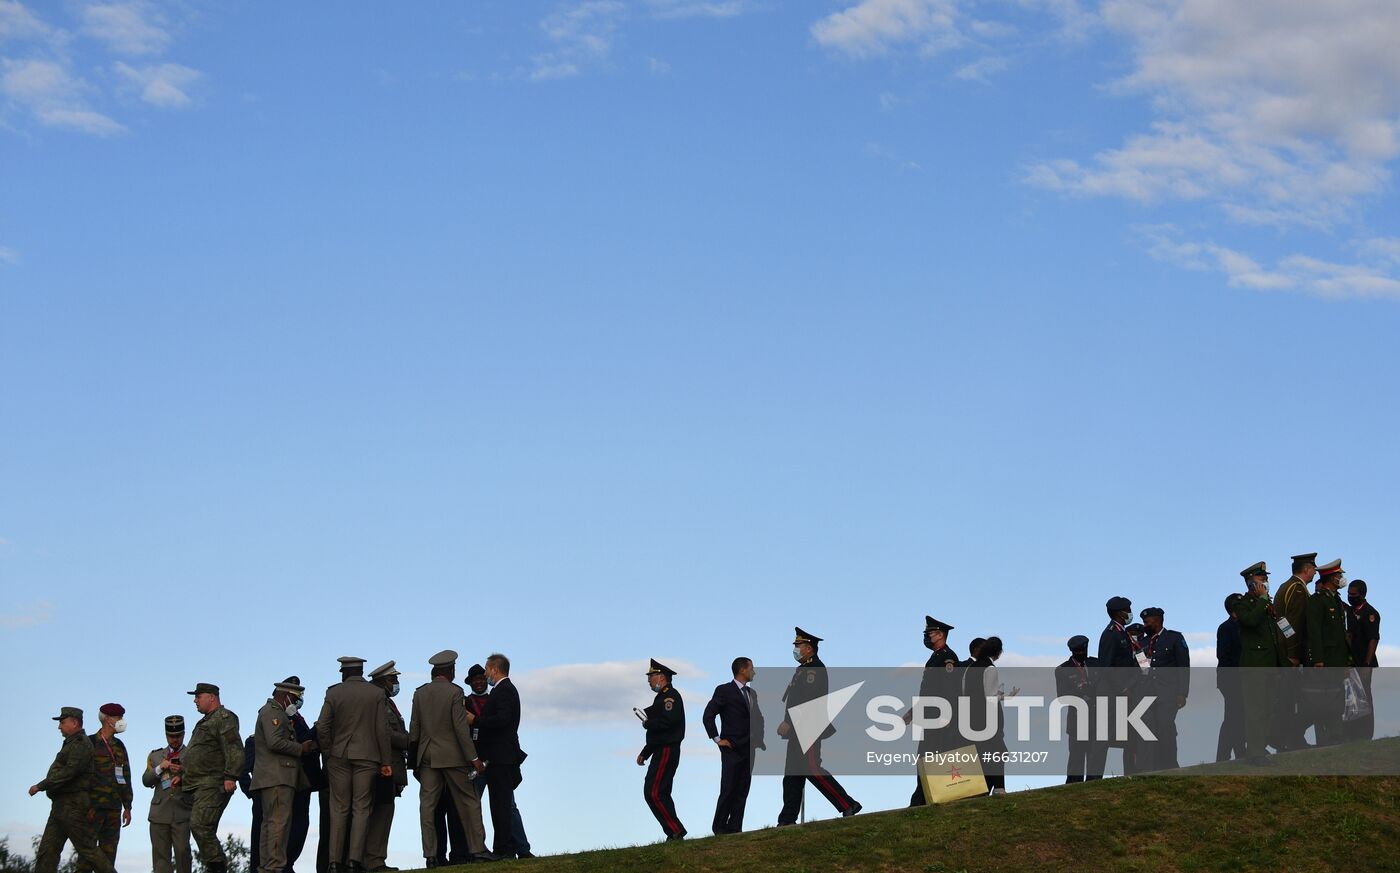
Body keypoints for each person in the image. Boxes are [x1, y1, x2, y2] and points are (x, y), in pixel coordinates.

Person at [408, 650, 493, 866]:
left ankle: (431, 855)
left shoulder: (420, 693)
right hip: (453, 757)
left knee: (427, 807)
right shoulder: (455, 693)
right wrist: (473, 758)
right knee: (469, 801)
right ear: (451, 670)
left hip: (427, 757)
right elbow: (460, 728)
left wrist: (414, 761)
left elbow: (414, 730)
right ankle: (478, 849)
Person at [776, 628, 860, 825]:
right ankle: (787, 819)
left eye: (799, 646)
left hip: (809, 727)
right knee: (792, 775)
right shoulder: (803, 669)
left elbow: (809, 700)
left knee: (812, 768)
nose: (796, 649)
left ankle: (847, 804)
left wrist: (789, 721)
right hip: (798, 730)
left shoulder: (814, 669)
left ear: (809, 649)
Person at [319, 656, 395, 873]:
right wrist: (386, 761)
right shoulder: (376, 693)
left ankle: (334, 862)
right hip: (368, 756)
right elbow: (382, 730)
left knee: (338, 809)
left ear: (344, 672)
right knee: (361, 808)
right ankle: (354, 860)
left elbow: (323, 726)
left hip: (338, 756)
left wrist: (329, 752)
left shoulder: (334, 693)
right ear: (361, 672)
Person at [29, 707, 118, 873]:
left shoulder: (81, 744)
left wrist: (41, 786)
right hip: (60, 806)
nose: (59, 727)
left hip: (73, 806)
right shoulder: (71, 744)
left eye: (62, 722)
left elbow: (70, 771)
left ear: (74, 722)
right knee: (47, 852)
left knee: (88, 850)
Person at [465, 664, 532, 859]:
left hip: (497, 760)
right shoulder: (465, 702)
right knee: (473, 807)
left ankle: (522, 849)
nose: (478, 682)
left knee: (508, 807)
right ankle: (478, 851)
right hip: (476, 762)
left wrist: (515, 760)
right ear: (470, 683)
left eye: (480, 678)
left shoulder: (496, 696)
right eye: (474, 680)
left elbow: (508, 729)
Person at [253, 680, 313, 873]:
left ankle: (267, 866)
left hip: (274, 777)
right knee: (278, 824)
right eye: (294, 699)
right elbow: (274, 742)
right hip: (277, 777)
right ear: (286, 696)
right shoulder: (274, 712)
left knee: (270, 824)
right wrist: (300, 748)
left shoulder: (272, 711)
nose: (294, 704)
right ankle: (274, 867)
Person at [184, 682, 243, 873]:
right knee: (203, 828)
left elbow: (233, 747)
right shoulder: (206, 721)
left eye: (198, 696)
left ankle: (217, 868)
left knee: (200, 825)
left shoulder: (224, 718)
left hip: (213, 784)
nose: (195, 700)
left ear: (211, 697)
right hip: (199, 785)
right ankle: (215, 867)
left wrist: (231, 776)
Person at [703, 656, 765, 832]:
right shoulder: (724, 690)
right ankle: (719, 828)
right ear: (742, 670)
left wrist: (759, 739)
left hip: (749, 748)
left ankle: (735, 828)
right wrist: (717, 739)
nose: (754, 671)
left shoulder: (752, 693)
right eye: (751, 668)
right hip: (731, 748)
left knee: (742, 790)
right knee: (729, 788)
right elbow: (708, 715)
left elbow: (758, 717)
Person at [1237, 562, 1287, 765]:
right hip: (1254, 665)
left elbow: (1279, 632)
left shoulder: (1267, 604)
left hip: (1270, 664)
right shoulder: (1243, 603)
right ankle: (1255, 752)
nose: (1266, 581)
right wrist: (1262, 601)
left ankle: (1261, 745)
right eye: (1262, 579)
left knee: (1267, 708)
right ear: (1251, 583)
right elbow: (1249, 621)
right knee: (1255, 709)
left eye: (1265, 578)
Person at [907, 616, 960, 805]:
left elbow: (950, 690)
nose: (926, 637)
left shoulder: (948, 658)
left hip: (941, 716)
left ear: (940, 635)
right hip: (931, 715)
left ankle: (924, 798)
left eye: (929, 633)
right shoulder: (935, 657)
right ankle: (922, 797)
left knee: (934, 756)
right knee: (926, 756)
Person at [365, 661, 409, 873]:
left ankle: (376, 858)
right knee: (380, 814)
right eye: (393, 680)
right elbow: (385, 733)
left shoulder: (386, 701)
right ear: (383, 681)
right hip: (382, 766)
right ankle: (373, 861)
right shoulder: (378, 701)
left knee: (384, 813)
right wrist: (408, 741)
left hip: (390, 765)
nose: (396, 684)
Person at [78, 702, 134, 871]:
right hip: (92, 809)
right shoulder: (89, 743)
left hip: (113, 809)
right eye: (119, 717)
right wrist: (84, 805)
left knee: (108, 858)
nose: (122, 720)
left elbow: (126, 776)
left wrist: (128, 806)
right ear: (108, 719)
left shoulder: (120, 746)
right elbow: (80, 777)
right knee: (86, 857)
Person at [637, 659, 687, 841]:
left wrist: (648, 723)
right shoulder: (660, 698)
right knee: (660, 793)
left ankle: (676, 830)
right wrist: (645, 752)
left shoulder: (670, 697)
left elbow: (668, 722)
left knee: (654, 792)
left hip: (667, 750)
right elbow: (658, 732)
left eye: (651, 676)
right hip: (661, 749)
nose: (649, 680)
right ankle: (673, 832)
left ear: (662, 677)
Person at [1304, 558, 1350, 746]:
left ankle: (1336, 735)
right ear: (1331, 577)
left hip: (1338, 658)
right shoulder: (1317, 601)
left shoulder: (1336, 600)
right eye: (1338, 575)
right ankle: (1324, 737)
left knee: (1337, 697)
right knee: (1323, 700)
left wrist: (1346, 660)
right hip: (1326, 659)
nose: (1341, 578)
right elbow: (1314, 632)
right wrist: (1318, 659)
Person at [1274, 552, 1316, 750]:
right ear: (1307, 569)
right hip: (1291, 655)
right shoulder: (1297, 590)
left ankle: (1290, 739)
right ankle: (1291, 739)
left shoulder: (1286, 587)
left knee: (1290, 700)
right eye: (1313, 568)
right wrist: (1293, 653)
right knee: (1293, 700)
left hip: (1285, 651)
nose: (1315, 571)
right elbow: (1295, 624)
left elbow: (1282, 622)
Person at [1138, 607, 1189, 770]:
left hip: (1168, 694)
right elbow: (1142, 668)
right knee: (1150, 730)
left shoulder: (1174, 638)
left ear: (1157, 620)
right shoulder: (1142, 643)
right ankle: (1154, 765)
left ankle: (1170, 764)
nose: (1144, 624)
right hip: (1147, 693)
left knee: (1165, 726)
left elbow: (1183, 666)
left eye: (1147, 620)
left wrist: (1182, 693)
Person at [1097, 596, 1143, 773]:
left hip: (1128, 692)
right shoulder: (1110, 634)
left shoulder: (1124, 633)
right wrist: (1122, 689)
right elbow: (1106, 667)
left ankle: (1131, 772)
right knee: (1103, 739)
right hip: (1113, 693)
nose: (1130, 613)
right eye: (1127, 609)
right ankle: (1094, 777)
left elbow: (1139, 663)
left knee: (1130, 736)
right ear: (1119, 613)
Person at [144, 715, 194, 873]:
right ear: (166, 735)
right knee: (160, 860)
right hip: (159, 814)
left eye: (178, 736)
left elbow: (199, 778)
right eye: (171, 736)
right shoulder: (155, 756)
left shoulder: (192, 754)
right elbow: (146, 780)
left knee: (183, 854)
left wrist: (183, 775)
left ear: (184, 734)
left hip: (182, 813)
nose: (175, 740)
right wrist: (160, 768)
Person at [282, 675, 320, 873]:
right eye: (295, 695)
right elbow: (300, 740)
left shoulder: (296, 716)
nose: (299, 699)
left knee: (301, 823)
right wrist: (317, 729)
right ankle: (285, 864)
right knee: (295, 823)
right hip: (294, 778)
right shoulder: (284, 716)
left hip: (304, 778)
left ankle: (289, 863)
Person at [1055, 635, 1104, 782]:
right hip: (1078, 718)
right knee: (1077, 755)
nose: (1082, 653)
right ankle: (1073, 785)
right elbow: (1062, 696)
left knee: (1096, 755)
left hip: (1097, 716)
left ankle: (1094, 782)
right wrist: (1081, 691)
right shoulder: (1062, 669)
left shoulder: (1096, 664)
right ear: (1072, 651)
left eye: (1083, 650)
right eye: (1078, 651)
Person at [966, 636, 1011, 795]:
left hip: (971, 718)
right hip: (988, 717)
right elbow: (990, 697)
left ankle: (981, 790)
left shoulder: (970, 668)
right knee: (998, 752)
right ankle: (999, 787)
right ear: (998, 652)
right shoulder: (990, 668)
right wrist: (1003, 696)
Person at [1345, 579, 1381, 741]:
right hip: (1352, 662)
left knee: (1365, 697)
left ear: (1362, 595)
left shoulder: (1370, 613)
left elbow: (1373, 639)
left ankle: (1366, 733)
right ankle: (1353, 732)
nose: (1350, 597)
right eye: (1349, 594)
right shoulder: (1350, 612)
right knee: (1352, 698)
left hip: (1364, 663)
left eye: (1354, 594)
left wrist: (1366, 664)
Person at [1215, 594, 1247, 762]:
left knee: (1233, 718)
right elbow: (1224, 656)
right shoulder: (1227, 628)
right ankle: (1239, 752)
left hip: (1237, 678)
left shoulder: (1241, 625)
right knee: (1234, 717)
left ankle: (1224, 755)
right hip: (1231, 679)